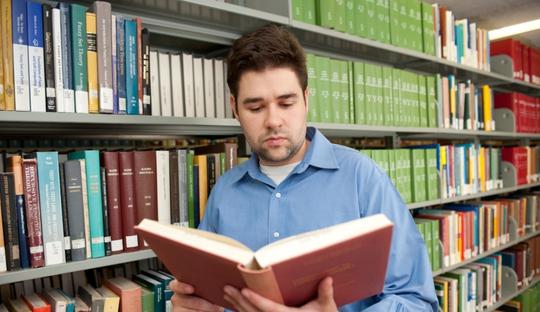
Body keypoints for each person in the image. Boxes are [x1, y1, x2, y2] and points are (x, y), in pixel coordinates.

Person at [170, 24, 438, 312]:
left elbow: (418, 302)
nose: (273, 120)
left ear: (307, 99)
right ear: (235, 108)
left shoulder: (362, 177)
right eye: (256, 108)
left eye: (286, 103)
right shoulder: (224, 191)